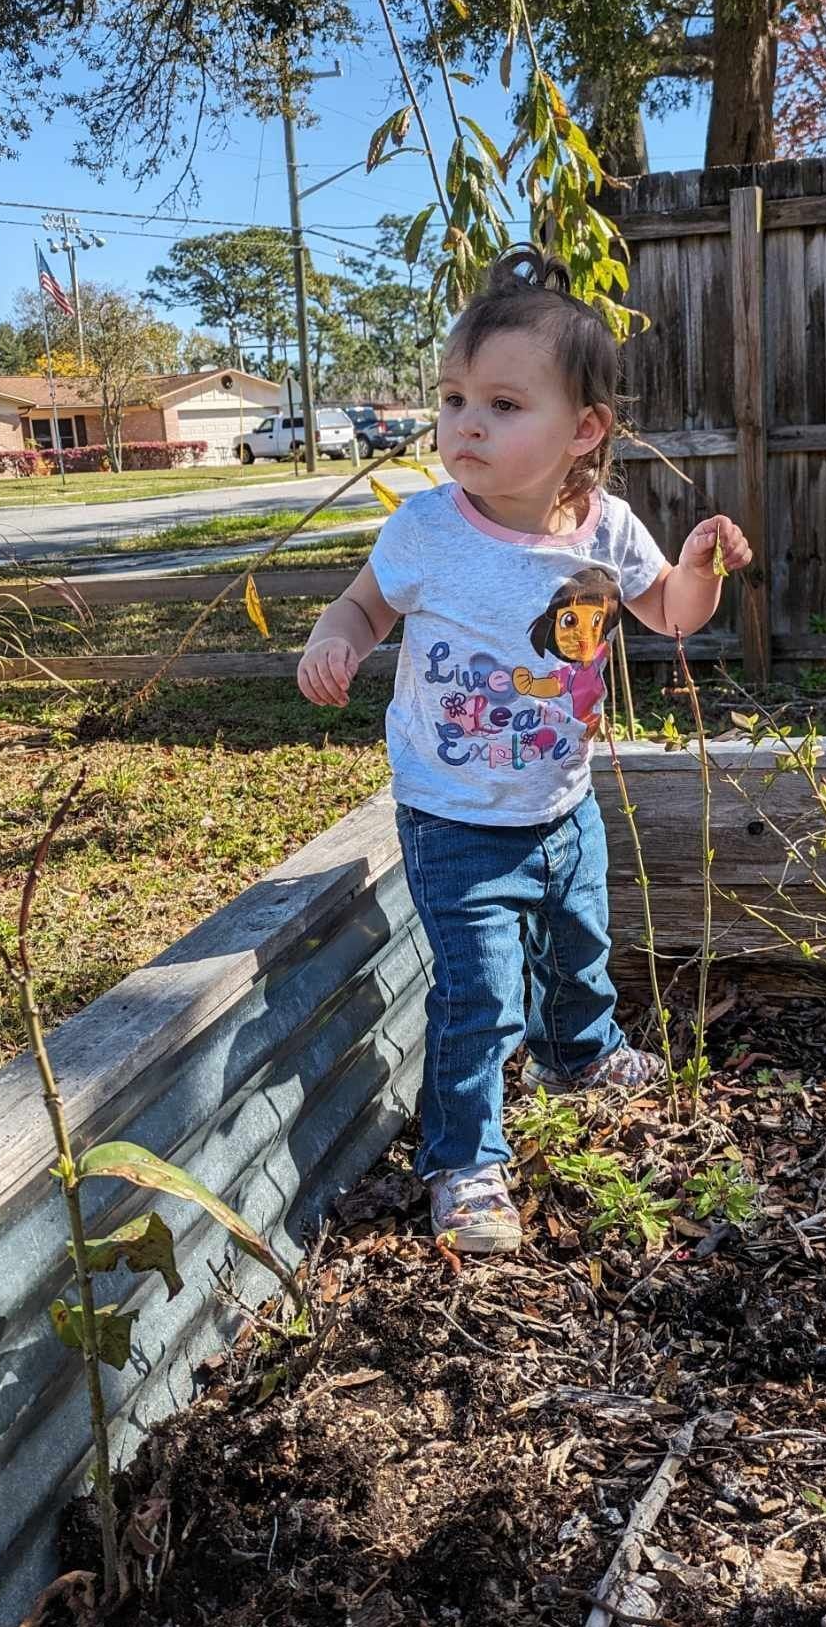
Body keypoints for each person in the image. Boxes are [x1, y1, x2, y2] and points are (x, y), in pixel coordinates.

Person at [297, 246, 751, 1254]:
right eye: (454, 397)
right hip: (454, 815)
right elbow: (366, 601)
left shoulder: (607, 526)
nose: (465, 423)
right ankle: (464, 1158)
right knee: (479, 993)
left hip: (561, 800)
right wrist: (338, 637)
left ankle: (580, 1055)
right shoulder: (428, 529)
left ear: (582, 429)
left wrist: (697, 563)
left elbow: (670, 612)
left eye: (503, 404)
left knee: (579, 945)